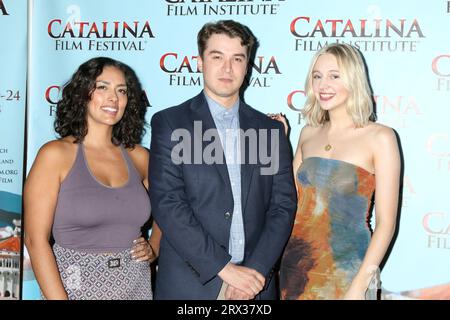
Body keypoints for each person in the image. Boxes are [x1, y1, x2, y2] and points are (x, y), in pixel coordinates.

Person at [149, 20, 297, 300]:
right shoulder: (170, 123)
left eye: (237, 59)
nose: (227, 68)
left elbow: (282, 206)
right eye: (217, 57)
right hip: (190, 287)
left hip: (255, 287)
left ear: (248, 66)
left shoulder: (270, 131)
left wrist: (255, 271)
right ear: (200, 62)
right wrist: (224, 269)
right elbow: (168, 203)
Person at [24, 57, 161, 300]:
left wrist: (155, 246)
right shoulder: (55, 155)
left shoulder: (139, 157)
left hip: (135, 287)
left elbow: (170, 209)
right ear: (83, 93)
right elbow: (35, 241)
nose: (113, 98)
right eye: (103, 87)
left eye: (122, 91)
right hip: (74, 289)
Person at [276, 43, 400, 300]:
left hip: (348, 271)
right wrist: (277, 145)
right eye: (317, 76)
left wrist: (359, 286)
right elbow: (287, 201)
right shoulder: (307, 133)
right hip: (296, 268)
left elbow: (386, 224)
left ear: (353, 79)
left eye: (334, 75)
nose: (323, 84)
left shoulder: (380, 137)